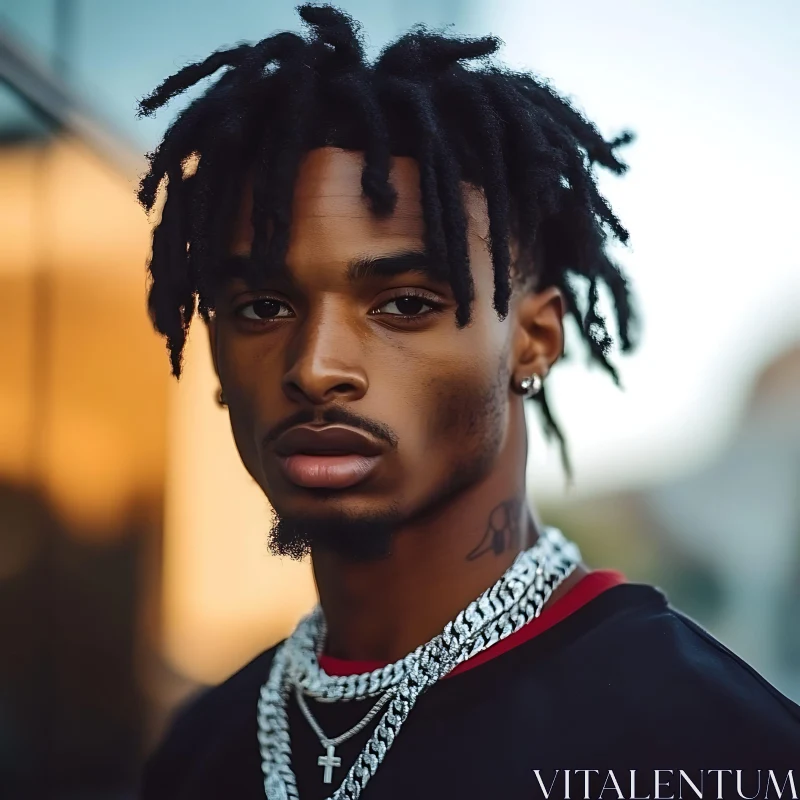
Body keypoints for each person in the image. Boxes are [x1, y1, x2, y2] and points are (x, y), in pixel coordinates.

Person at [136, 6, 800, 799]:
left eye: (405, 304)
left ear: (535, 339)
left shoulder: (705, 741)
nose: (314, 368)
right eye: (263, 309)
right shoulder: (203, 748)